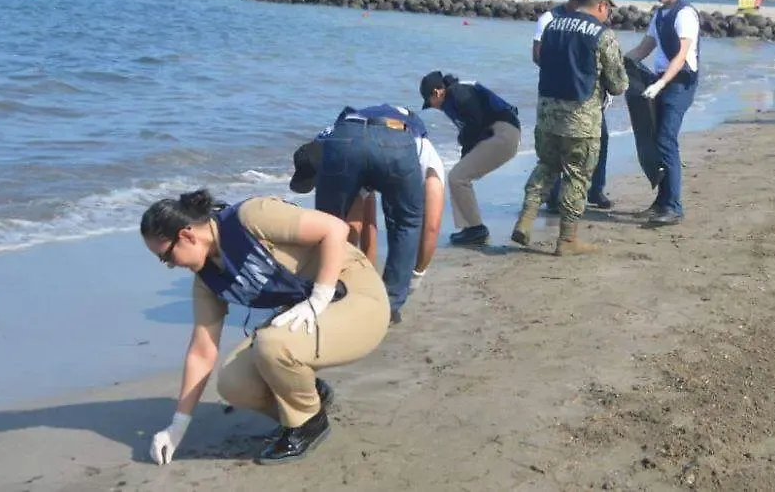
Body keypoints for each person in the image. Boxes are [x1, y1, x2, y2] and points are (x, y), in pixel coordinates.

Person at [140, 189, 389, 465]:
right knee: (234, 382)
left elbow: (334, 228)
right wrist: (178, 426)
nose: (170, 266)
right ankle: (312, 396)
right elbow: (202, 351)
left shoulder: (251, 216)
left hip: (356, 295)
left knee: (272, 345)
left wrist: (320, 296)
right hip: (307, 312)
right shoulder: (206, 279)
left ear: (187, 235)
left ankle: (308, 424)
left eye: (167, 257)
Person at [289, 104, 445, 322]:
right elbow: (432, 225)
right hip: (395, 141)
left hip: (345, 139)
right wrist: (415, 276)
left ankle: (331, 289)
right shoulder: (424, 148)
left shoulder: (330, 138)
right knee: (407, 223)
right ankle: (388, 308)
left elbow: (360, 225)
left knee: (329, 225)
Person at [512, 0, 627, 253]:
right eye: (608, 8)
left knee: (546, 167)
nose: (608, 13)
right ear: (601, 5)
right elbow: (618, 85)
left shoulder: (552, 26)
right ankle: (567, 240)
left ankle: (525, 221)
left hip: (547, 115)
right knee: (577, 177)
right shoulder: (602, 35)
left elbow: (540, 60)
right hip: (581, 119)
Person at [625, 0, 700, 225]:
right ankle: (661, 202)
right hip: (661, 80)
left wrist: (661, 84)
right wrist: (622, 62)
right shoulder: (659, 15)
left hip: (680, 83)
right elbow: (645, 47)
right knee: (654, 138)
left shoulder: (685, 14)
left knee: (666, 139)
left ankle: (674, 207)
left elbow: (681, 56)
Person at [534, 0, 614, 211]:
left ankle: (596, 189)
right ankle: (555, 195)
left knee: (601, 140)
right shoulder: (549, 20)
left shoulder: (595, 21)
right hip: (560, 93)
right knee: (556, 146)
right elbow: (537, 55)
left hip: (589, 94)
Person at [420, 71, 522, 245]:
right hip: (502, 133)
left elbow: (476, 122)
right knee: (458, 177)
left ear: (437, 92)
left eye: (430, 103)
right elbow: (474, 128)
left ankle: (475, 229)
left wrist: (463, 140)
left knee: (457, 177)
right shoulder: (454, 95)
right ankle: (470, 228)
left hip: (503, 133)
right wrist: (465, 151)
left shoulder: (458, 93)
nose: (433, 107)